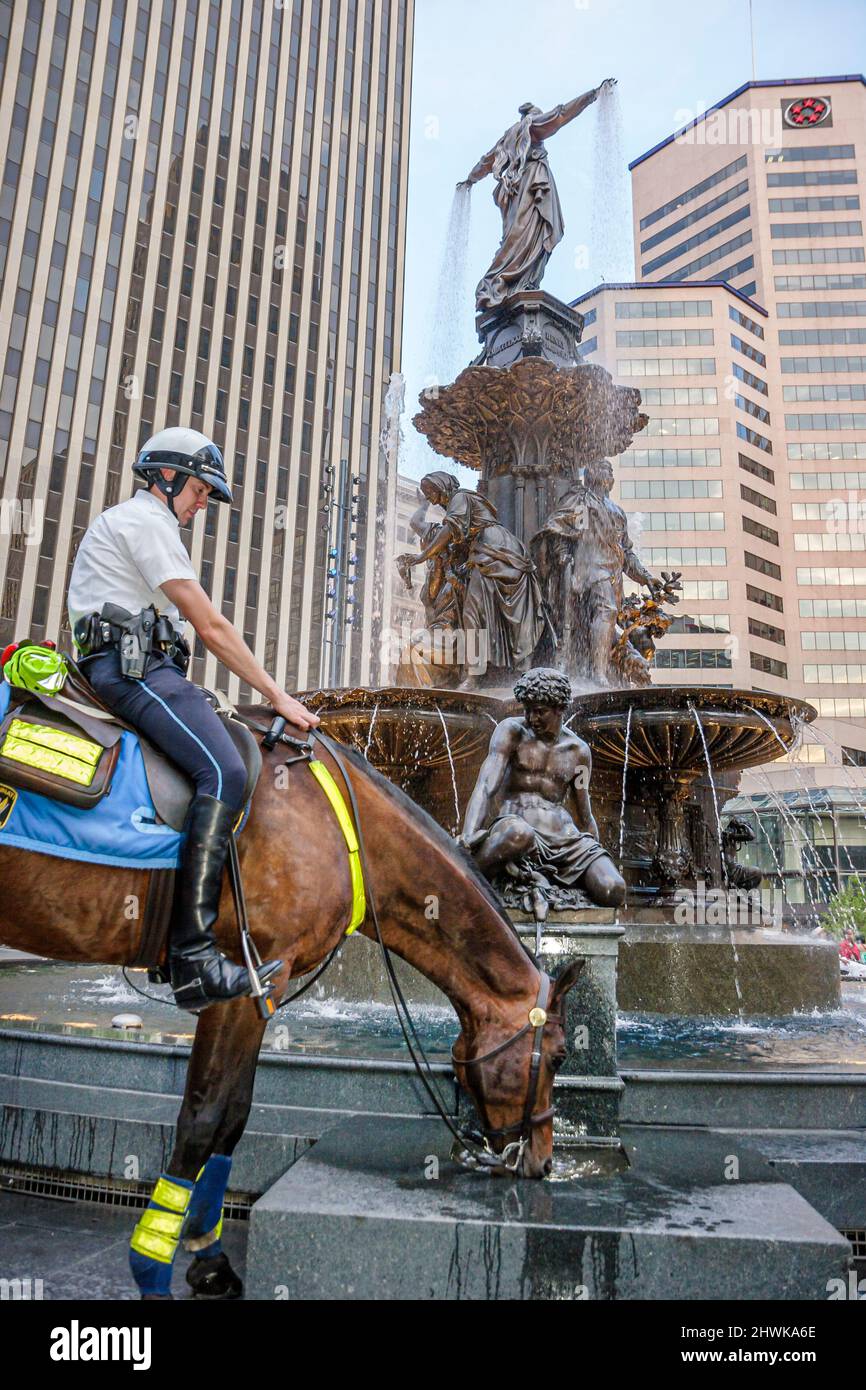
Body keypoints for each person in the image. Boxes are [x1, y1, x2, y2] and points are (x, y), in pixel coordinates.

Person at [67, 426, 319, 1012]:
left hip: (139, 667)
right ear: (167, 476)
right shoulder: (146, 522)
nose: (204, 503)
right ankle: (193, 956)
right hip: (128, 671)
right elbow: (211, 626)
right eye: (201, 490)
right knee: (226, 773)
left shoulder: (141, 525)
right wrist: (277, 696)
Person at [460, 666, 625, 908]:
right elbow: (485, 787)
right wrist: (468, 837)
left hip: (566, 840)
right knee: (519, 834)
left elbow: (584, 812)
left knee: (613, 889)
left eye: (539, 712)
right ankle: (463, 878)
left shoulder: (579, 752)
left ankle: (545, 884)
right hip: (517, 830)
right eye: (527, 710)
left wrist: (594, 849)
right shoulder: (511, 732)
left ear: (560, 708)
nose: (531, 718)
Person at [458, 80, 616, 314]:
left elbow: (485, 162)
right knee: (529, 234)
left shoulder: (505, 142)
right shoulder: (529, 127)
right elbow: (560, 115)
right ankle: (509, 283)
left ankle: (507, 283)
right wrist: (592, 95)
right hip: (532, 184)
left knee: (516, 237)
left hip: (515, 189)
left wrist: (469, 180)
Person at [396, 471, 544, 686]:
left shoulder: (460, 497)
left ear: (442, 485)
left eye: (430, 492)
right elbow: (418, 523)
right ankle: (477, 673)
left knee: (472, 611)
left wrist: (420, 557)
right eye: (425, 494)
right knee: (476, 611)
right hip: (486, 553)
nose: (428, 497)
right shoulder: (457, 515)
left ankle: (474, 676)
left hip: (493, 550)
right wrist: (423, 506)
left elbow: (448, 530)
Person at [532, 458, 668, 685]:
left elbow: (626, 552)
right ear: (591, 474)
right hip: (589, 570)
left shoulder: (617, 512)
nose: (608, 472)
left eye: (610, 469)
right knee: (607, 611)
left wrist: (646, 577)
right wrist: (561, 552)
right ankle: (599, 673)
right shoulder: (583, 501)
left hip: (612, 576)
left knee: (607, 615)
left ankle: (597, 668)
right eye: (603, 469)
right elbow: (565, 529)